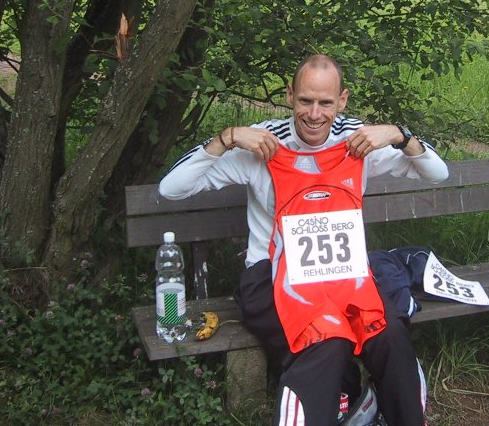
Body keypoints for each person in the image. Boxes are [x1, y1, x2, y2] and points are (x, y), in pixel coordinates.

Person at [159, 54, 449, 425]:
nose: (314, 114)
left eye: (325, 103)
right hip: (271, 276)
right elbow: (171, 189)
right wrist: (227, 138)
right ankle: (345, 398)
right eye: (305, 101)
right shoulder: (264, 143)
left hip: (342, 276)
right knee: (325, 339)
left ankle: (390, 412)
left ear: (342, 100)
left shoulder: (357, 141)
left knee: (390, 333)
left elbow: (438, 174)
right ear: (289, 96)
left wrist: (398, 135)